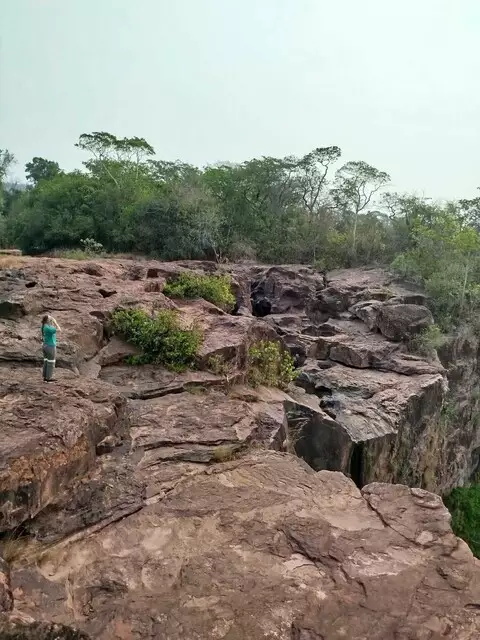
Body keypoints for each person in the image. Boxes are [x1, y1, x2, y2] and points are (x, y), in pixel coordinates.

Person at [41, 314, 61, 382]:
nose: (52, 319)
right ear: (47, 320)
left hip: (45, 345)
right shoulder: (48, 328)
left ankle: (45, 376)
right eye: (50, 318)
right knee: (51, 362)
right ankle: (48, 378)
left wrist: (52, 321)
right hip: (50, 346)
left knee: (46, 361)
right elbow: (59, 329)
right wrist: (55, 322)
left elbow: (52, 327)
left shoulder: (44, 326)